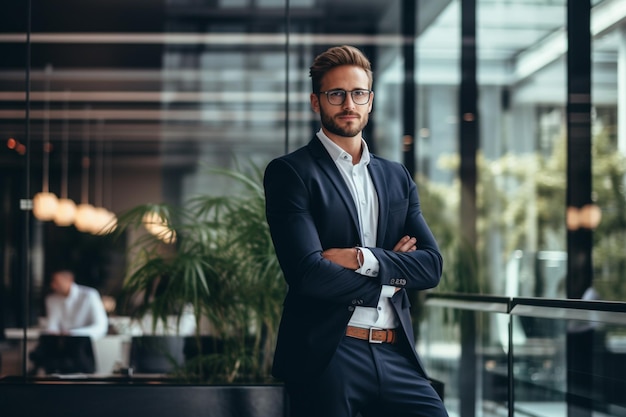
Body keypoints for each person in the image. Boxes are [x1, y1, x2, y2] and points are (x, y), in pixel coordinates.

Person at [264, 45, 448, 417]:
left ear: (370, 100)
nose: (349, 103)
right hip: (330, 355)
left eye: (358, 93)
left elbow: (431, 267)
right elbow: (308, 274)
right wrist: (393, 275)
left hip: (396, 352)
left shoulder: (396, 176)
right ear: (316, 102)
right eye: (336, 94)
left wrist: (363, 258)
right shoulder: (291, 173)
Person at [43, 269, 108, 339]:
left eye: (57, 282)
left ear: (69, 280)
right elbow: (52, 326)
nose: (53, 286)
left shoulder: (89, 295)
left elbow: (101, 327)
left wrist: (72, 333)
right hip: (61, 343)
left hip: (85, 343)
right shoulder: (51, 300)